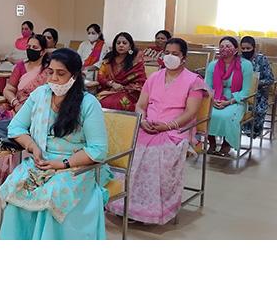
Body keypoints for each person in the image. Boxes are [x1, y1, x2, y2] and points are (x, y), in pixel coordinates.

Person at [0, 48, 112, 240]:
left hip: (75, 166)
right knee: (16, 185)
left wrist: (63, 164)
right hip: (41, 161)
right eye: (50, 72)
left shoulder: (88, 103)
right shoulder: (40, 95)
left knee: (52, 194)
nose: (54, 78)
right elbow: (16, 127)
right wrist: (33, 147)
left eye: (61, 73)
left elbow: (98, 150)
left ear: (74, 75)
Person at [107, 38, 208, 224]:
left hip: (176, 129)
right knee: (129, 153)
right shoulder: (154, 77)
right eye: (167, 52)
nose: (170, 57)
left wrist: (168, 126)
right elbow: (140, 105)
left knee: (156, 157)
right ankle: (125, 203)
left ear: (184, 57)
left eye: (175, 54)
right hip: (148, 126)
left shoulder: (194, 81)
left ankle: (149, 210)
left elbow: (191, 112)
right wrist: (143, 120)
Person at [0, 34, 49, 192]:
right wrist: (15, 103)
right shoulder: (20, 67)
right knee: (6, 124)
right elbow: (8, 89)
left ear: (43, 51)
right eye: (28, 47)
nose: (31, 50)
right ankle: (2, 177)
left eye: (35, 48)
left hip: (39, 112)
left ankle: (22, 178)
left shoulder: (48, 70)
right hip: (17, 107)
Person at [205, 36, 254, 156]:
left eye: (228, 46)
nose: (224, 49)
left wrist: (229, 102)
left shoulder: (246, 65)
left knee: (227, 116)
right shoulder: (213, 65)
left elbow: (246, 90)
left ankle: (226, 144)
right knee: (208, 114)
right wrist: (213, 99)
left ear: (236, 50)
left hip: (237, 99)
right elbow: (207, 86)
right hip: (216, 98)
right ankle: (211, 143)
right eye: (221, 47)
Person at [96, 32, 146, 112]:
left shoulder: (136, 60)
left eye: (124, 43)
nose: (121, 45)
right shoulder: (109, 58)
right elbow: (100, 76)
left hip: (129, 92)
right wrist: (112, 84)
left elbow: (140, 81)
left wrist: (122, 88)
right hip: (109, 89)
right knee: (96, 102)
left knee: (116, 103)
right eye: (118, 43)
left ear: (130, 46)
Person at [240, 36, 275, 138]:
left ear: (254, 49)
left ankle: (253, 132)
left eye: (248, 48)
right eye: (243, 49)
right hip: (241, 92)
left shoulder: (262, 59)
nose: (245, 51)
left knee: (256, 110)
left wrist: (255, 83)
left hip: (258, 93)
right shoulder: (239, 60)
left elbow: (270, 79)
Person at [0, 21, 35, 94]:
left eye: (26, 29)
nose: (23, 31)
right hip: (12, 62)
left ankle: (12, 92)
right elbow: (12, 53)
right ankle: (2, 92)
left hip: (22, 63)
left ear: (31, 30)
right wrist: (7, 58)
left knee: (15, 69)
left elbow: (29, 58)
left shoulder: (32, 41)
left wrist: (16, 61)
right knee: (0, 69)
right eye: (22, 29)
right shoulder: (18, 41)